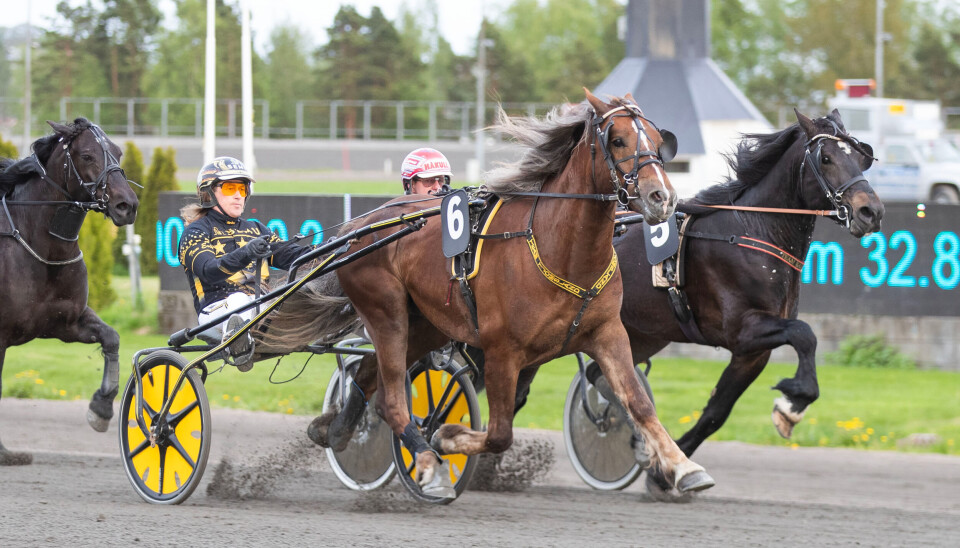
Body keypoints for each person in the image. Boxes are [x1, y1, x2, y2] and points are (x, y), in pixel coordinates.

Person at [178, 156, 310, 370]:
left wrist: (331, 249)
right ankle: (237, 340)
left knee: (302, 296)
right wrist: (246, 253)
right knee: (238, 300)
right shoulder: (195, 232)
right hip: (215, 312)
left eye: (243, 188)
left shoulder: (256, 229)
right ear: (208, 193)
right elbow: (209, 271)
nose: (239, 195)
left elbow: (292, 256)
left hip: (259, 308)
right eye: (230, 188)